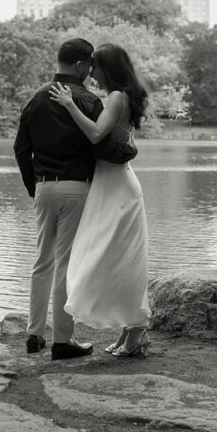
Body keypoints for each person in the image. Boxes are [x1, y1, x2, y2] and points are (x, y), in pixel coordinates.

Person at [49, 42, 150, 358]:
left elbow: (95, 134)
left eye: (96, 66)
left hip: (118, 188)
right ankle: (130, 329)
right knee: (115, 259)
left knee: (117, 259)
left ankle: (136, 329)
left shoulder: (118, 97)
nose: (91, 71)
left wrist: (69, 104)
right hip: (112, 183)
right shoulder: (122, 97)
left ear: (108, 69)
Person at [13, 37, 101, 361]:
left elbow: (20, 149)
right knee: (65, 264)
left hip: (44, 187)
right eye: (90, 66)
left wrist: (32, 185)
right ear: (81, 65)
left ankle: (34, 335)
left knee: (41, 262)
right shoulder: (88, 100)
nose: (91, 72)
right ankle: (63, 340)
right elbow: (101, 149)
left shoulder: (35, 98)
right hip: (76, 188)